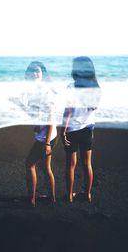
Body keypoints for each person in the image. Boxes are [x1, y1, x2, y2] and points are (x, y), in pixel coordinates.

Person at [61, 56, 101, 203]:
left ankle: (70, 195)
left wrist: (63, 130)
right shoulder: (96, 87)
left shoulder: (72, 87)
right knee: (87, 163)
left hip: (72, 128)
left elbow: (69, 111)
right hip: (88, 128)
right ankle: (88, 194)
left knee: (71, 165)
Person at [24, 61, 57, 208]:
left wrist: (47, 143)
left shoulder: (46, 92)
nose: (34, 74)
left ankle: (31, 199)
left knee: (29, 164)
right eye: (32, 71)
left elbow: (51, 118)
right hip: (45, 135)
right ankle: (52, 198)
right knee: (45, 167)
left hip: (46, 137)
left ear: (43, 73)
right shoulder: (33, 92)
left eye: (38, 71)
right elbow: (34, 114)